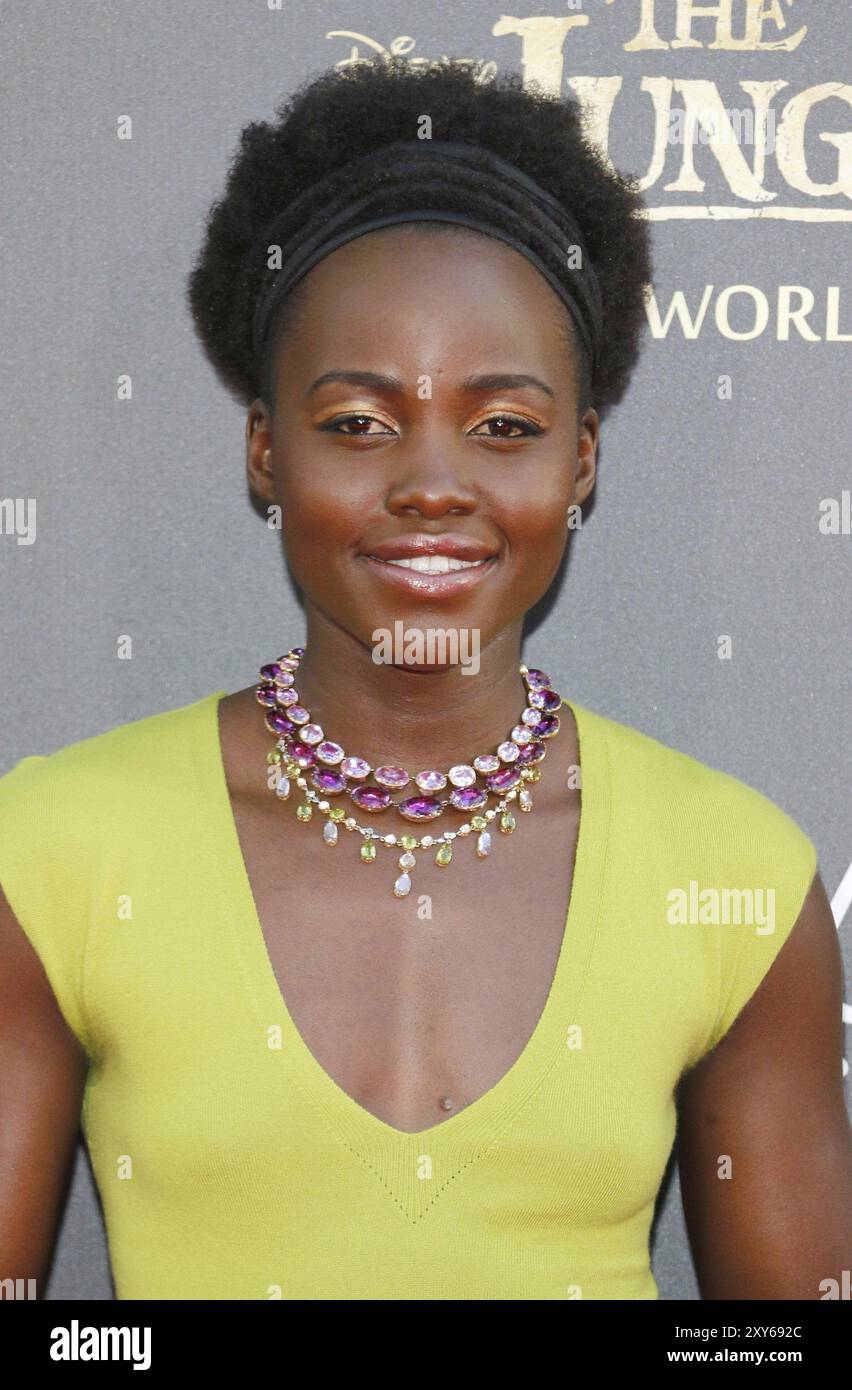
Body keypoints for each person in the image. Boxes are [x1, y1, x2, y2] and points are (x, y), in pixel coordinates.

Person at [0, 58, 849, 1302]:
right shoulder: (54, 852)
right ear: (264, 451)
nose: (433, 482)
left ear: (582, 459)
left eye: (504, 425)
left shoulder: (734, 880)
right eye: (357, 422)